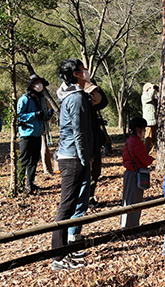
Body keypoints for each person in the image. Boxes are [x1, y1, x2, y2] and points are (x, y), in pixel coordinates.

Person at [51, 59, 95, 271]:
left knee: (73, 204)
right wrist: (84, 158)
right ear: (77, 74)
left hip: (73, 157)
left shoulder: (76, 95)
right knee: (66, 206)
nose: (86, 71)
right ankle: (57, 257)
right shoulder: (76, 98)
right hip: (72, 159)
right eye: (82, 69)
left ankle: (66, 250)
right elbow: (78, 131)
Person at [67, 80, 109, 243]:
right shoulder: (80, 106)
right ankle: (73, 232)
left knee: (96, 174)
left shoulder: (92, 106)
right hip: (86, 150)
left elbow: (103, 101)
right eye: (90, 93)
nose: (93, 96)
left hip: (95, 145)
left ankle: (90, 197)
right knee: (86, 180)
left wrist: (94, 84)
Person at [17, 74, 53, 194]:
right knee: (24, 160)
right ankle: (19, 185)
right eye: (36, 82)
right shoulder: (25, 99)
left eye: (40, 82)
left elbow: (44, 117)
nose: (39, 85)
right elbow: (19, 116)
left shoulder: (42, 98)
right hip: (27, 134)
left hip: (38, 133)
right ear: (31, 85)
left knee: (33, 160)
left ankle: (30, 184)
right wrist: (34, 114)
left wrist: (49, 114)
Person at [120, 117, 154, 229]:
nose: (144, 131)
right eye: (143, 129)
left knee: (127, 200)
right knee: (134, 201)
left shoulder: (129, 141)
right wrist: (151, 159)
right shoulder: (136, 142)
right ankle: (131, 226)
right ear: (138, 129)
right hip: (135, 175)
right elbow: (144, 159)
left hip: (129, 173)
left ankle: (126, 224)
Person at [141, 83, 158, 155]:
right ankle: (145, 154)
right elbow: (150, 96)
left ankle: (149, 154)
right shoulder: (144, 96)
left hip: (153, 121)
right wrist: (153, 88)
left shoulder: (153, 96)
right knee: (148, 139)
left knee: (153, 139)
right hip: (148, 122)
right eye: (150, 88)